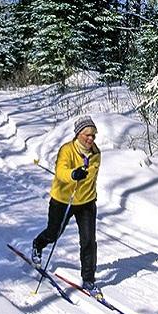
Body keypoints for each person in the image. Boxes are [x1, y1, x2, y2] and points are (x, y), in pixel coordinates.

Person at [32, 115, 103, 298]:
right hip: (64, 200)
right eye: (87, 135)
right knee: (54, 233)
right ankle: (38, 245)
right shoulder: (67, 150)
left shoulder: (96, 154)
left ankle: (88, 280)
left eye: (93, 135)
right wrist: (73, 174)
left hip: (86, 202)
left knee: (88, 241)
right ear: (78, 134)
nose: (90, 139)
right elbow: (61, 171)